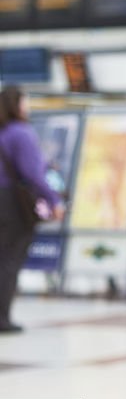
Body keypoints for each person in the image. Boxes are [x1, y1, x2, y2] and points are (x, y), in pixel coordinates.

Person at [0, 86, 64, 334]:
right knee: (9, 260)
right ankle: (2, 318)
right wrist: (54, 200)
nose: (28, 106)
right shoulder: (20, 133)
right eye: (26, 101)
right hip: (12, 203)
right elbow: (33, 174)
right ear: (17, 105)